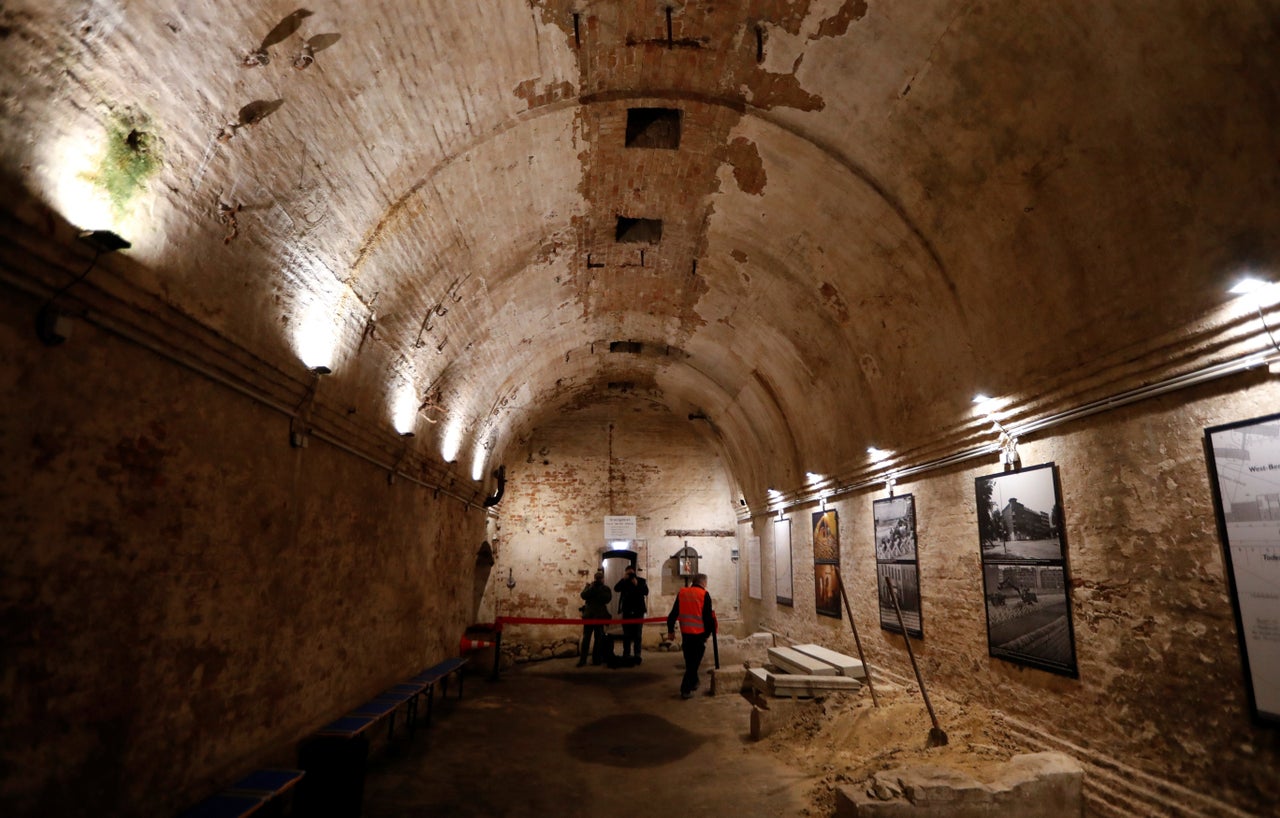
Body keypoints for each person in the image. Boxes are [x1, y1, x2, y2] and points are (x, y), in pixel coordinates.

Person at [667, 573, 716, 698]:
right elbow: (708, 618)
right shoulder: (704, 595)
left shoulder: (682, 593)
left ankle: (694, 682)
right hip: (698, 635)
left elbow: (673, 614)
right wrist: (708, 634)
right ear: (703, 582)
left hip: (686, 634)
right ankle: (685, 689)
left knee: (690, 662)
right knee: (694, 664)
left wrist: (671, 631)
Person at [613, 565, 649, 663]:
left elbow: (646, 592)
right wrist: (623, 579)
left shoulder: (641, 581)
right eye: (628, 573)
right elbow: (616, 588)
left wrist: (637, 584)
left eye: (631, 573)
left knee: (638, 634)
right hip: (627, 611)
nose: (630, 575)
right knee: (627, 634)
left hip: (638, 611)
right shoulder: (624, 582)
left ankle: (637, 654)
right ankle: (626, 654)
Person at [577, 570, 612, 666]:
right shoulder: (590, 587)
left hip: (599, 616)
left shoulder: (605, 588)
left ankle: (595, 659)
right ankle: (583, 660)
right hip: (590, 616)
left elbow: (607, 599)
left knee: (598, 639)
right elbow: (583, 595)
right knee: (587, 639)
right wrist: (592, 587)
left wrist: (597, 589)